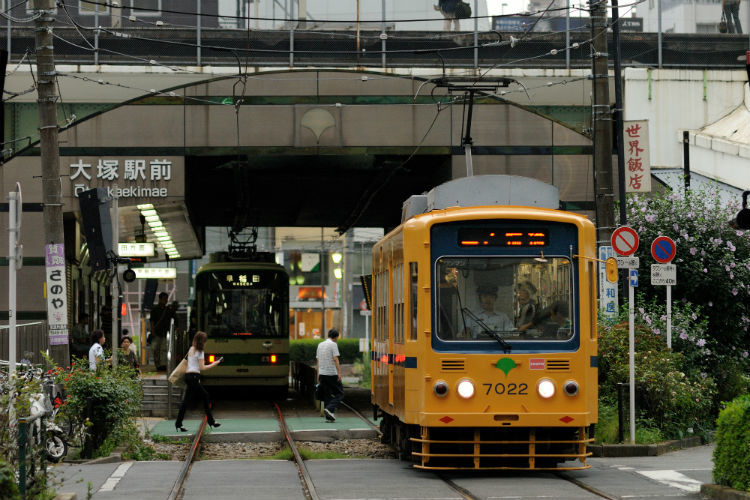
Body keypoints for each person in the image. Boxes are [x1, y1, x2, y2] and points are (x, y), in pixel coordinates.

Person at [175, 331, 222, 432]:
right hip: (193, 377)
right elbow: (202, 367)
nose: (205, 343)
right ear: (202, 341)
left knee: (186, 401)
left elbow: (191, 364)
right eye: (205, 341)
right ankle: (211, 421)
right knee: (205, 395)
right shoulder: (200, 352)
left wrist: (197, 378)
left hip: (189, 376)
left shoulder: (191, 349)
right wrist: (215, 363)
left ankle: (178, 423)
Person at [316, 329, 344, 422]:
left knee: (327, 394)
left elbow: (318, 360)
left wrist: (318, 374)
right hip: (331, 373)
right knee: (340, 393)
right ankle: (330, 409)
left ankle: (329, 417)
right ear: (336, 337)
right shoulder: (333, 344)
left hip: (322, 373)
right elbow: (335, 359)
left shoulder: (320, 345)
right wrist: (339, 373)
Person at [150, 292, 176, 371]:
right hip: (157, 333)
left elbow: (174, 319)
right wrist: (153, 331)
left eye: (166, 299)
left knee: (164, 349)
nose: (165, 301)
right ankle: (158, 364)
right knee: (156, 349)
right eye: (164, 299)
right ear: (160, 299)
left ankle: (163, 365)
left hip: (165, 333)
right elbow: (152, 321)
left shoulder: (168, 310)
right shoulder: (155, 309)